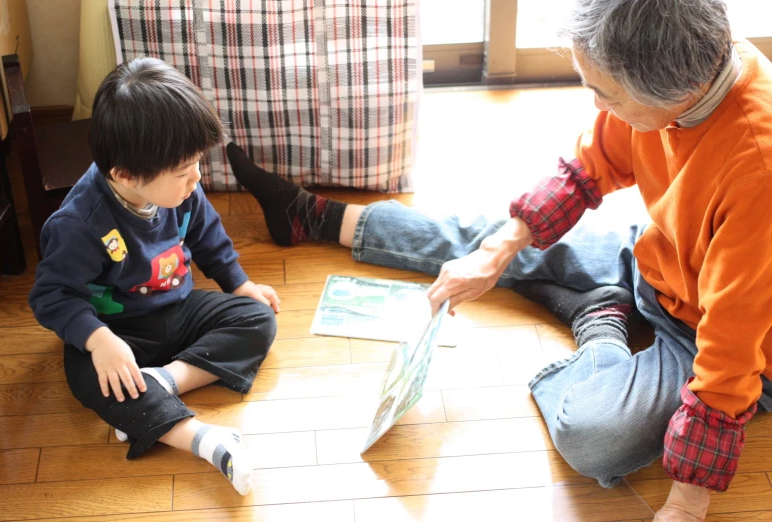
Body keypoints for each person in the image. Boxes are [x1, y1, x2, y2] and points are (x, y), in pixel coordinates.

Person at [225, 0, 772, 518]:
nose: (599, 107)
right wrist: (496, 252)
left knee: (593, 437)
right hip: (666, 259)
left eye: (607, 95)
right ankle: (314, 216)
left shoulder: (758, 172)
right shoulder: (696, 66)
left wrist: (685, 505)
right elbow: (589, 166)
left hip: (716, 340)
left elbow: (729, 360)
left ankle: (599, 322)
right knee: (486, 241)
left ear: (675, 90)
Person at [28, 57, 281, 496]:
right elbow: (52, 296)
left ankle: (163, 382)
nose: (196, 179)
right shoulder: (79, 223)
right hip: (120, 332)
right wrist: (99, 340)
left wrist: (239, 284)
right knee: (86, 378)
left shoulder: (182, 189)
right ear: (125, 174)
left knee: (259, 318)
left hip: (180, 308)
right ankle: (204, 440)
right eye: (183, 173)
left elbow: (208, 238)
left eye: (197, 164)